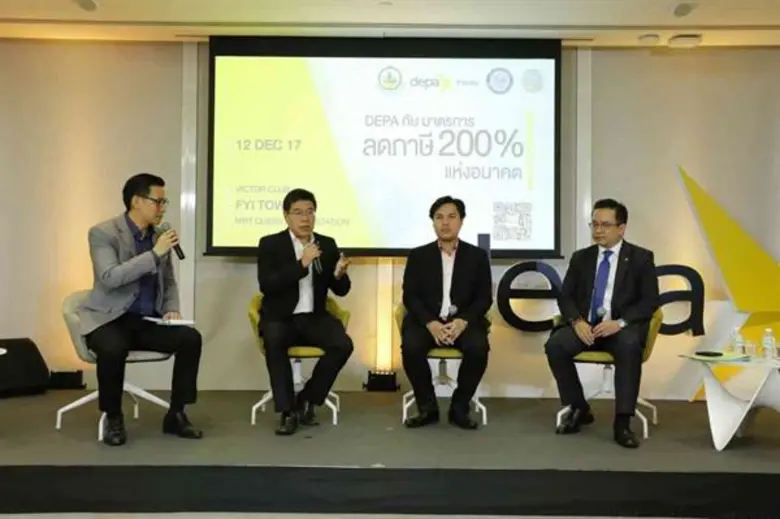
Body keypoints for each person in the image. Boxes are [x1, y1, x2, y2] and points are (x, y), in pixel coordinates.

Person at [79, 173, 203, 447]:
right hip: (108, 319)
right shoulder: (103, 233)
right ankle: (113, 417)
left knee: (190, 339)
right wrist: (154, 254)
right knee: (112, 348)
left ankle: (177, 413)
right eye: (157, 201)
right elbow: (110, 277)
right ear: (136, 201)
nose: (162, 208)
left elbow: (168, 281)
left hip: (145, 321)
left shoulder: (158, 236)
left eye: (164, 203)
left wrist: (171, 309)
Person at [545, 198, 659, 448]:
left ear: (621, 228)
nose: (598, 230)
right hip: (587, 327)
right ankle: (579, 407)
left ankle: (623, 422)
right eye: (594, 224)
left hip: (619, 329)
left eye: (605, 225)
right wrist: (576, 321)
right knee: (555, 345)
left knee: (629, 346)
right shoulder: (581, 258)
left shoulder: (640, 258)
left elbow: (650, 301)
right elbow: (565, 297)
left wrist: (620, 322)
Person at [256, 188, 353, 435]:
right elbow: (268, 285)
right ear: (286, 216)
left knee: (343, 345)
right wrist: (302, 264)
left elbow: (341, 290)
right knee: (274, 342)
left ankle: (308, 398)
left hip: (314, 317)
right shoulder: (270, 244)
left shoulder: (326, 244)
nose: (305, 218)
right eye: (298, 213)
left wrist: (339, 275)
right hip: (281, 317)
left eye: (310, 212)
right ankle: (287, 411)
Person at [400, 196, 492, 430]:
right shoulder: (418, 256)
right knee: (411, 347)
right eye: (439, 217)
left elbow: (484, 298)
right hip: (427, 322)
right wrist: (431, 323)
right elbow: (410, 296)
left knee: (478, 348)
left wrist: (463, 321)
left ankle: (459, 408)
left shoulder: (477, 256)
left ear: (461, 221)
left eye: (451, 217)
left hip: (463, 322)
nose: (445, 222)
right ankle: (427, 407)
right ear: (433, 222)